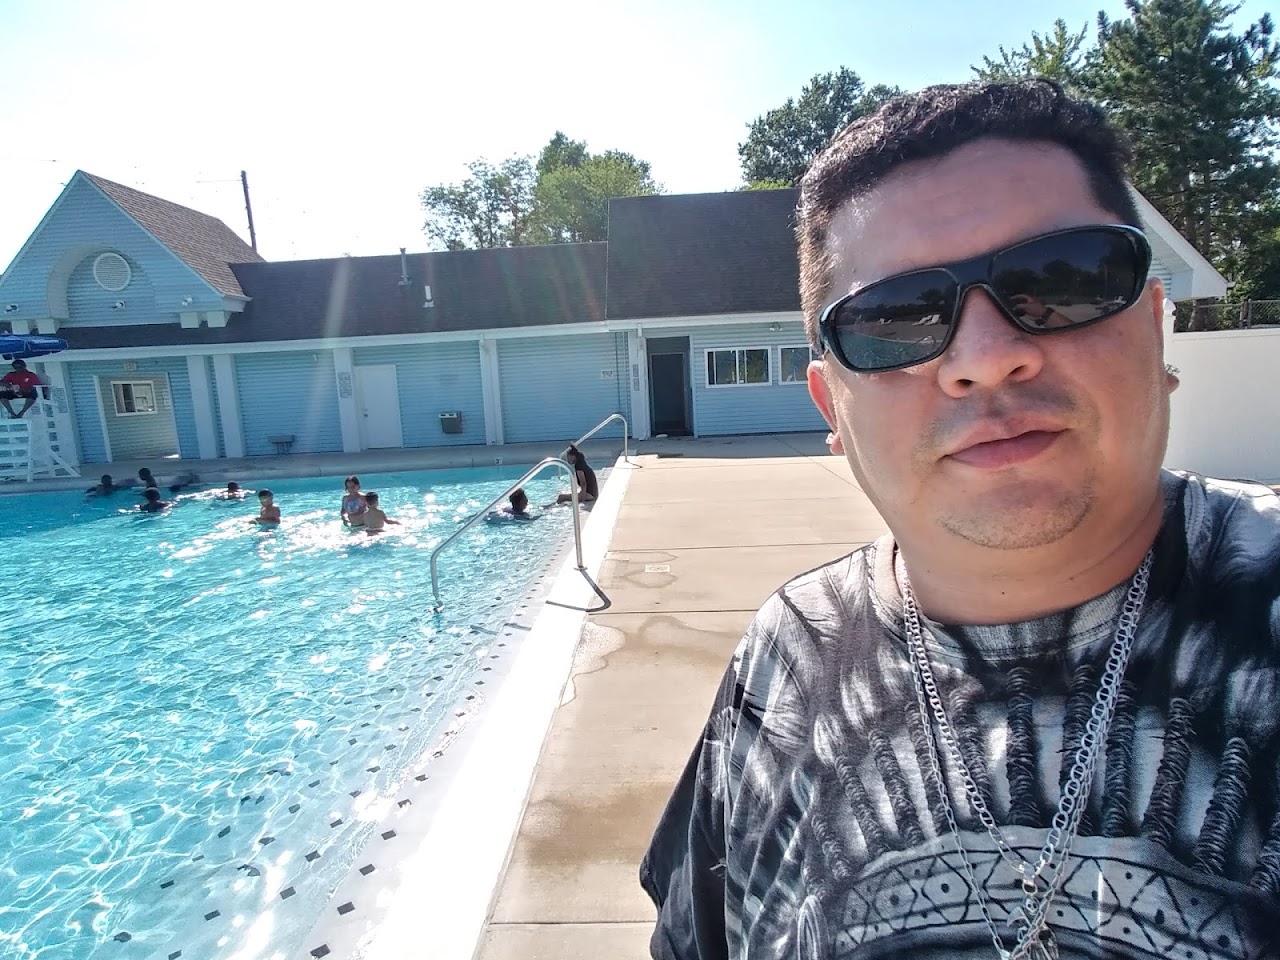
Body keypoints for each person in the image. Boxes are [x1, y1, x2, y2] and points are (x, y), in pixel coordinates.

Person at [641, 80, 1280, 960]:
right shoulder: (782, 663)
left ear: (1155, 325)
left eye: (1063, 279)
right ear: (832, 406)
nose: (984, 358)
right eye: (896, 320)